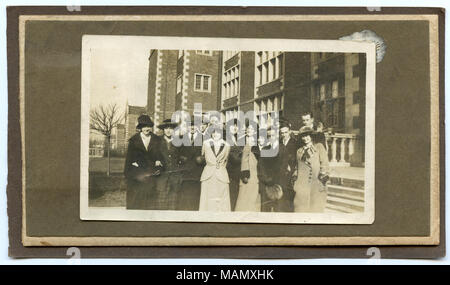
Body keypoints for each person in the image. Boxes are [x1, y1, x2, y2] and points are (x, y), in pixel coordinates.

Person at [123, 114, 162, 210]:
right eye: (144, 126)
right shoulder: (134, 140)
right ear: (140, 128)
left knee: (150, 204)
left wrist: (158, 160)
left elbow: (160, 155)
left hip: (152, 175)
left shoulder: (157, 139)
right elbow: (129, 159)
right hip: (137, 175)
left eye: (148, 126)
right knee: (137, 202)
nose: (147, 129)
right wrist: (128, 175)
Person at [292, 126, 330, 213]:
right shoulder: (299, 151)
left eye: (307, 136)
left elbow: (324, 164)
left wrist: (322, 181)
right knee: (301, 210)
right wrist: (295, 181)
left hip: (316, 184)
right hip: (302, 186)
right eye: (303, 136)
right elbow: (296, 167)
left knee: (315, 210)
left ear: (311, 136)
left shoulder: (319, 147)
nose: (305, 138)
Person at [152, 119, 184, 210]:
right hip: (162, 176)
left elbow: (181, 157)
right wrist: (156, 160)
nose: (168, 131)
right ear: (163, 130)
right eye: (166, 128)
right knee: (161, 202)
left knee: (173, 203)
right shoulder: (157, 141)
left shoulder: (179, 142)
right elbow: (152, 155)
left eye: (171, 128)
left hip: (175, 176)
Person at [199, 127, 231, 212]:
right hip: (208, 174)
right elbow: (202, 155)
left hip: (221, 174)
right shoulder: (206, 143)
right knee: (207, 197)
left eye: (218, 132)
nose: (215, 134)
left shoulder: (227, 145)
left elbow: (226, 160)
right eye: (213, 132)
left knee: (221, 198)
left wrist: (220, 168)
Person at [177, 116, 204, 211]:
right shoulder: (181, 138)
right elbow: (177, 153)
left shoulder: (203, 138)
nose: (192, 127)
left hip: (197, 173)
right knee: (185, 198)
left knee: (196, 198)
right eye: (190, 125)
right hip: (185, 174)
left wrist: (202, 159)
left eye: (195, 125)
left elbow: (208, 154)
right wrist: (181, 157)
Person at [234, 123, 261, 212]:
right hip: (243, 172)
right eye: (248, 128)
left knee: (253, 195)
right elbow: (235, 156)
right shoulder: (240, 141)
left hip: (255, 172)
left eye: (252, 129)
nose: (249, 130)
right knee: (243, 194)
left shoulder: (259, 141)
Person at [274, 119, 298, 212]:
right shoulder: (278, 143)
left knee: (289, 200)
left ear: (290, 131)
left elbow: (297, 159)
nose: (284, 134)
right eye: (282, 133)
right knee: (279, 200)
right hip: (279, 175)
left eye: (286, 132)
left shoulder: (295, 143)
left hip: (290, 175)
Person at [225, 118, 243, 211]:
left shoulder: (236, 138)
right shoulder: (226, 139)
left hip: (236, 172)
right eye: (233, 125)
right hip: (229, 171)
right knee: (230, 195)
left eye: (237, 125)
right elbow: (231, 156)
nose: (235, 127)